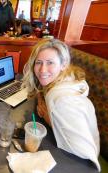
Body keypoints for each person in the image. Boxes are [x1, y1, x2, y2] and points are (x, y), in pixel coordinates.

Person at [22, 39, 101, 171]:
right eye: (38, 62)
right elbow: (41, 89)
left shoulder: (64, 101)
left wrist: (50, 120)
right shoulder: (63, 80)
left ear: (63, 64)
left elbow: (85, 154)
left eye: (50, 63)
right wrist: (42, 99)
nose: (42, 69)